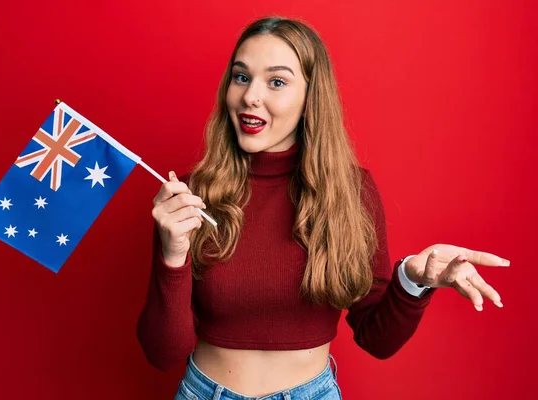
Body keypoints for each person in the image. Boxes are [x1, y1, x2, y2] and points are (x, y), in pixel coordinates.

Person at [137, 16, 509, 400]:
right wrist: (173, 257)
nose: (250, 96)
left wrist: (414, 281)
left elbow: (377, 339)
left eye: (277, 82)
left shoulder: (351, 191)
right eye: (241, 77)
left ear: (309, 98)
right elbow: (163, 353)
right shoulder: (190, 196)